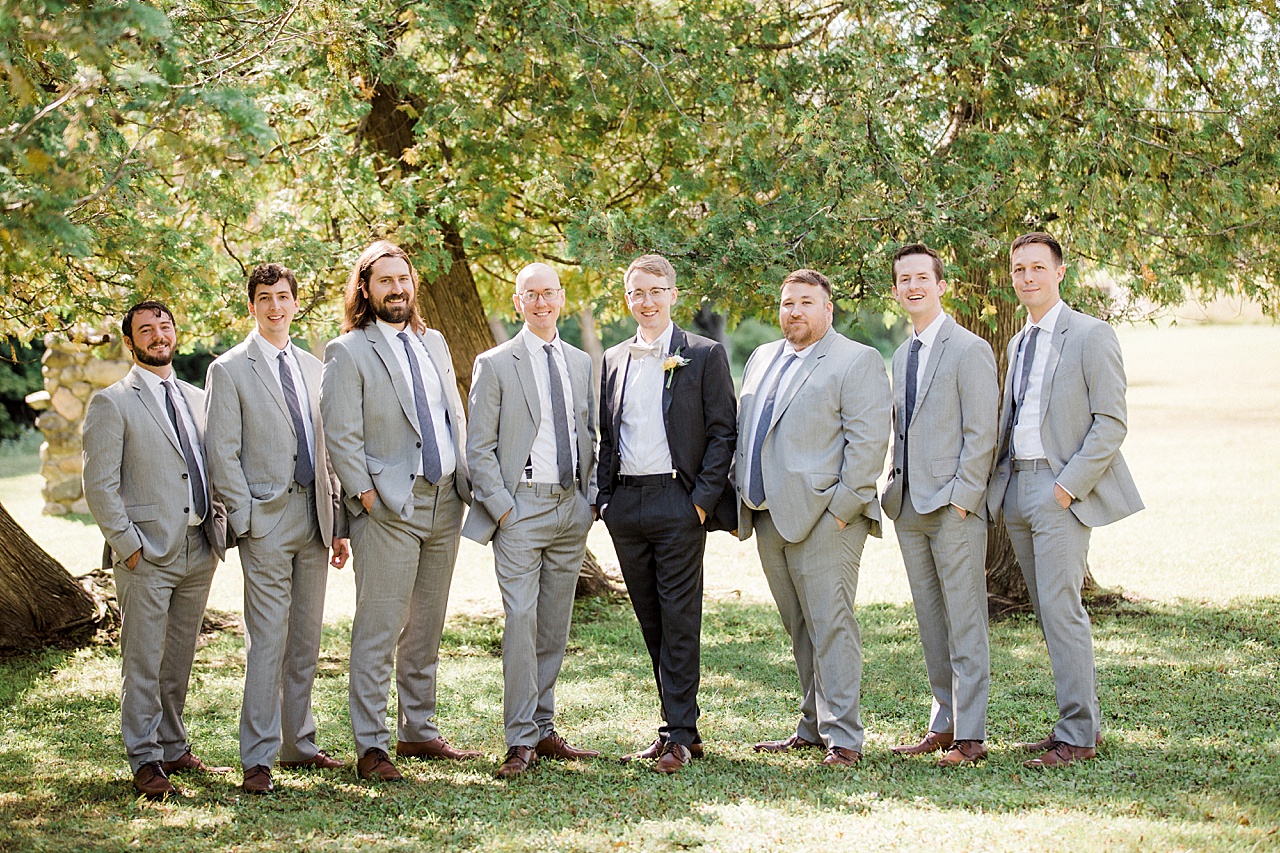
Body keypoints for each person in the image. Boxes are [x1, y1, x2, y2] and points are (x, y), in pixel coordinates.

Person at [321, 240, 478, 782]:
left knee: (426, 626)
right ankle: (371, 745)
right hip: (389, 505)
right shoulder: (348, 351)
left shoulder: (434, 342)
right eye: (384, 280)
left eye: (403, 278)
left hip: (445, 500)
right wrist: (367, 496)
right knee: (379, 628)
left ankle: (418, 730)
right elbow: (341, 435)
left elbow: (451, 413)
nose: (397, 289)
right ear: (365, 290)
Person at [987, 232, 1144, 769]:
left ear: (1059, 273)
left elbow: (1111, 422)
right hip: (1017, 489)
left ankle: (1078, 736)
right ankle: (1075, 723)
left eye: (1037, 267)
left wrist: (1067, 486)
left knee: (1061, 610)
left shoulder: (1091, 335)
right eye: (1018, 269)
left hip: (1059, 489)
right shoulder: (1018, 343)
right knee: (1047, 610)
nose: (1027, 277)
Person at [204, 263, 351, 794]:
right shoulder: (228, 369)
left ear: (295, 303)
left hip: (316, 517)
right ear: (252, 306)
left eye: (283, 296)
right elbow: (221, 452)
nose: (275, 306)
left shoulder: (315, 366)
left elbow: (328, 448)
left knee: (305, 641)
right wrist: (247, 520)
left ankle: (298, 744)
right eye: (264, 297)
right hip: (266, 520)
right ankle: (257, 758)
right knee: (267, 641)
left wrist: (338, 522)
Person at [738, 269, 890, 767]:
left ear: (828, 308)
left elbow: (868, 443)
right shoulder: (762, 357)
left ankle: (844, 737)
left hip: (828, 518)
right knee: (800, 628)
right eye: (787, 303)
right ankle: (812, 726)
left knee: (831, 625)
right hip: (768, 517)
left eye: (806, 302)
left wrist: (842, 511)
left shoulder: (856, 360)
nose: (795, 311)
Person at [82, 300, 230, 798]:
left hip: (199, 547)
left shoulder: (197, 398)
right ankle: (144, 758)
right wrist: (128, 547)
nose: (158, 335)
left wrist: (217, 527)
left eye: (164, 326)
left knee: (179, 657)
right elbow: (99, 485)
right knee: (144, 660)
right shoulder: (111, 403)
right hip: (146, 553)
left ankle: (172, 745)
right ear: (130, 342)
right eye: (146, 330)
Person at [596, 254, 736, 774]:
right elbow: (608, 434)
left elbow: (723, 431)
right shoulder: (613, 358)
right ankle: (681, 730)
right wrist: (605, 500)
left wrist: (700, 501)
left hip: (679, 502)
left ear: (673, 295)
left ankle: (677, 734)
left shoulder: (703, 354)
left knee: (679, 619)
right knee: (651, 620)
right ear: (627, 299)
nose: (647, 301)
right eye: (637, 292)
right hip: (625, 506)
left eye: (656, 291)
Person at [462, 263, 599, 779]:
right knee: (521, 620)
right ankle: (519, 738)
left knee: (554, 623)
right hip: (520, 508)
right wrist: (503, 507)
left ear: (561, 298)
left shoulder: (581, 362)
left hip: (571, 508)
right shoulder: (495, 363)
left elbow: (589, 432)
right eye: (530, 294)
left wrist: (589, 499)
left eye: (549, 293)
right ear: (517, 302)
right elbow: (479, 447)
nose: (541, 302)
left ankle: (543, 727)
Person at [880, 244, 998, 767]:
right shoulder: (901, 354)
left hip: (953, 508)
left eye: (922, 277)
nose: (913, 286)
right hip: (907, 507)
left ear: (941, 285)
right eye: (904, 279)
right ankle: (943, 722)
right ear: (896, 290)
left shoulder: (970, 349)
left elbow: (982, 432)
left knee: (965, 619)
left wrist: (963, 501)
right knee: (931, 620)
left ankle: (971, 735)